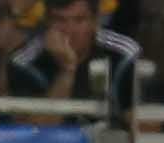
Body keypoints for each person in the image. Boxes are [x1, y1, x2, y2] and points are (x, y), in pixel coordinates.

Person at [8, 0, 140, 124]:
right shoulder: (23, 62)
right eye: (60, 20)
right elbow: (34, 132)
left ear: (95, 22)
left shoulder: (124, 54)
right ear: (47, 22)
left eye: (79, 20)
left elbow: (144, 124)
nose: (70, 31)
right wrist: (67, 70)